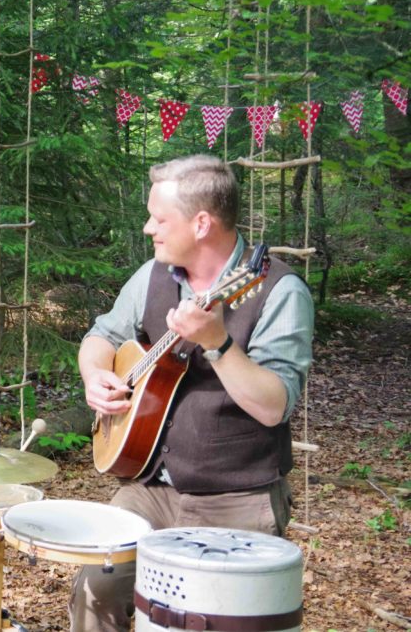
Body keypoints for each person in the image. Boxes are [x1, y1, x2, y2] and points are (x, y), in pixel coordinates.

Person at [70, 155, 314, 631]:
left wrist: (218, 343)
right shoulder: (153, 275)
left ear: (201, 224)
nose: (148, 229)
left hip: (236, 496)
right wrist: (94, 374)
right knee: (95, 591)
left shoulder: (279, 291)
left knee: (215, 620)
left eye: (159, 219)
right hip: (149, 488)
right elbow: (102, 335)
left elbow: (275, 406)